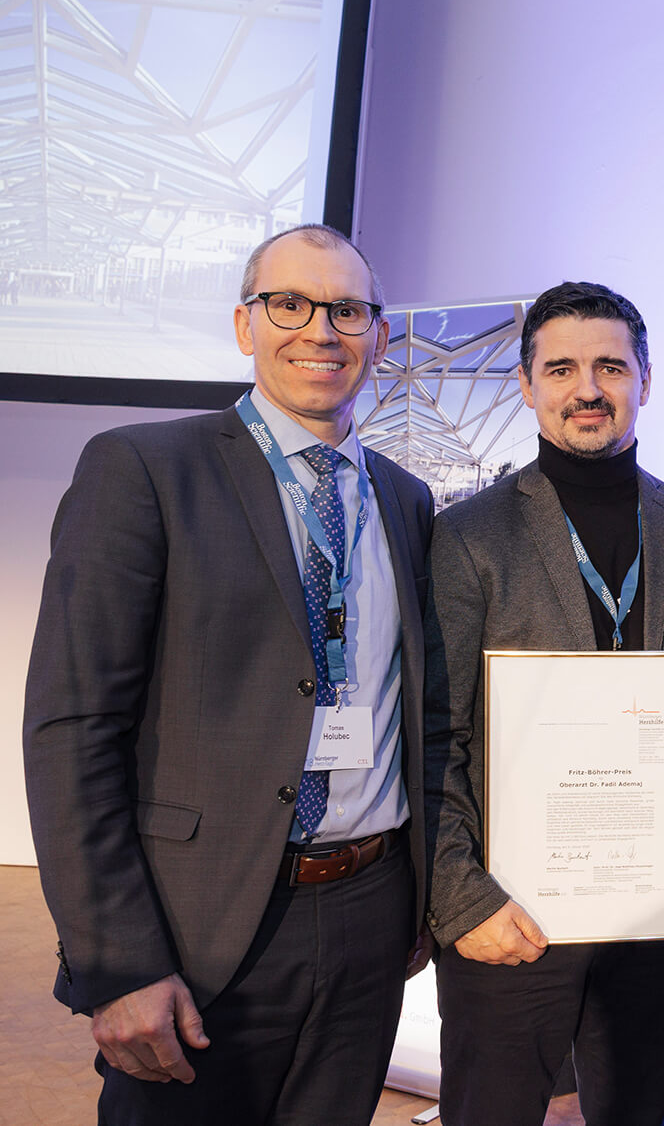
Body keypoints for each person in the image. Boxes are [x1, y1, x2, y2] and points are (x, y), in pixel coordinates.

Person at [23, 223, 433, 1123]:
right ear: (245, 324)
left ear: (379, 335)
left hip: (370, 914)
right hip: (198, 922)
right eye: (290, 304)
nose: (320, 330)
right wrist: (118, 962)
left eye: (348, 310)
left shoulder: (404, 498)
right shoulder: (144, 469)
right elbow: (73, 728)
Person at [422, 280, 664, 1126]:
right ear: (527, 386)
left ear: (645, 380)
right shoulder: (468, 535)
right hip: (509, 909)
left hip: (649, 908)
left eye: (611, 367)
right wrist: (461, 900)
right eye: (561, 369)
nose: (587, 389)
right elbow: (435, 735)